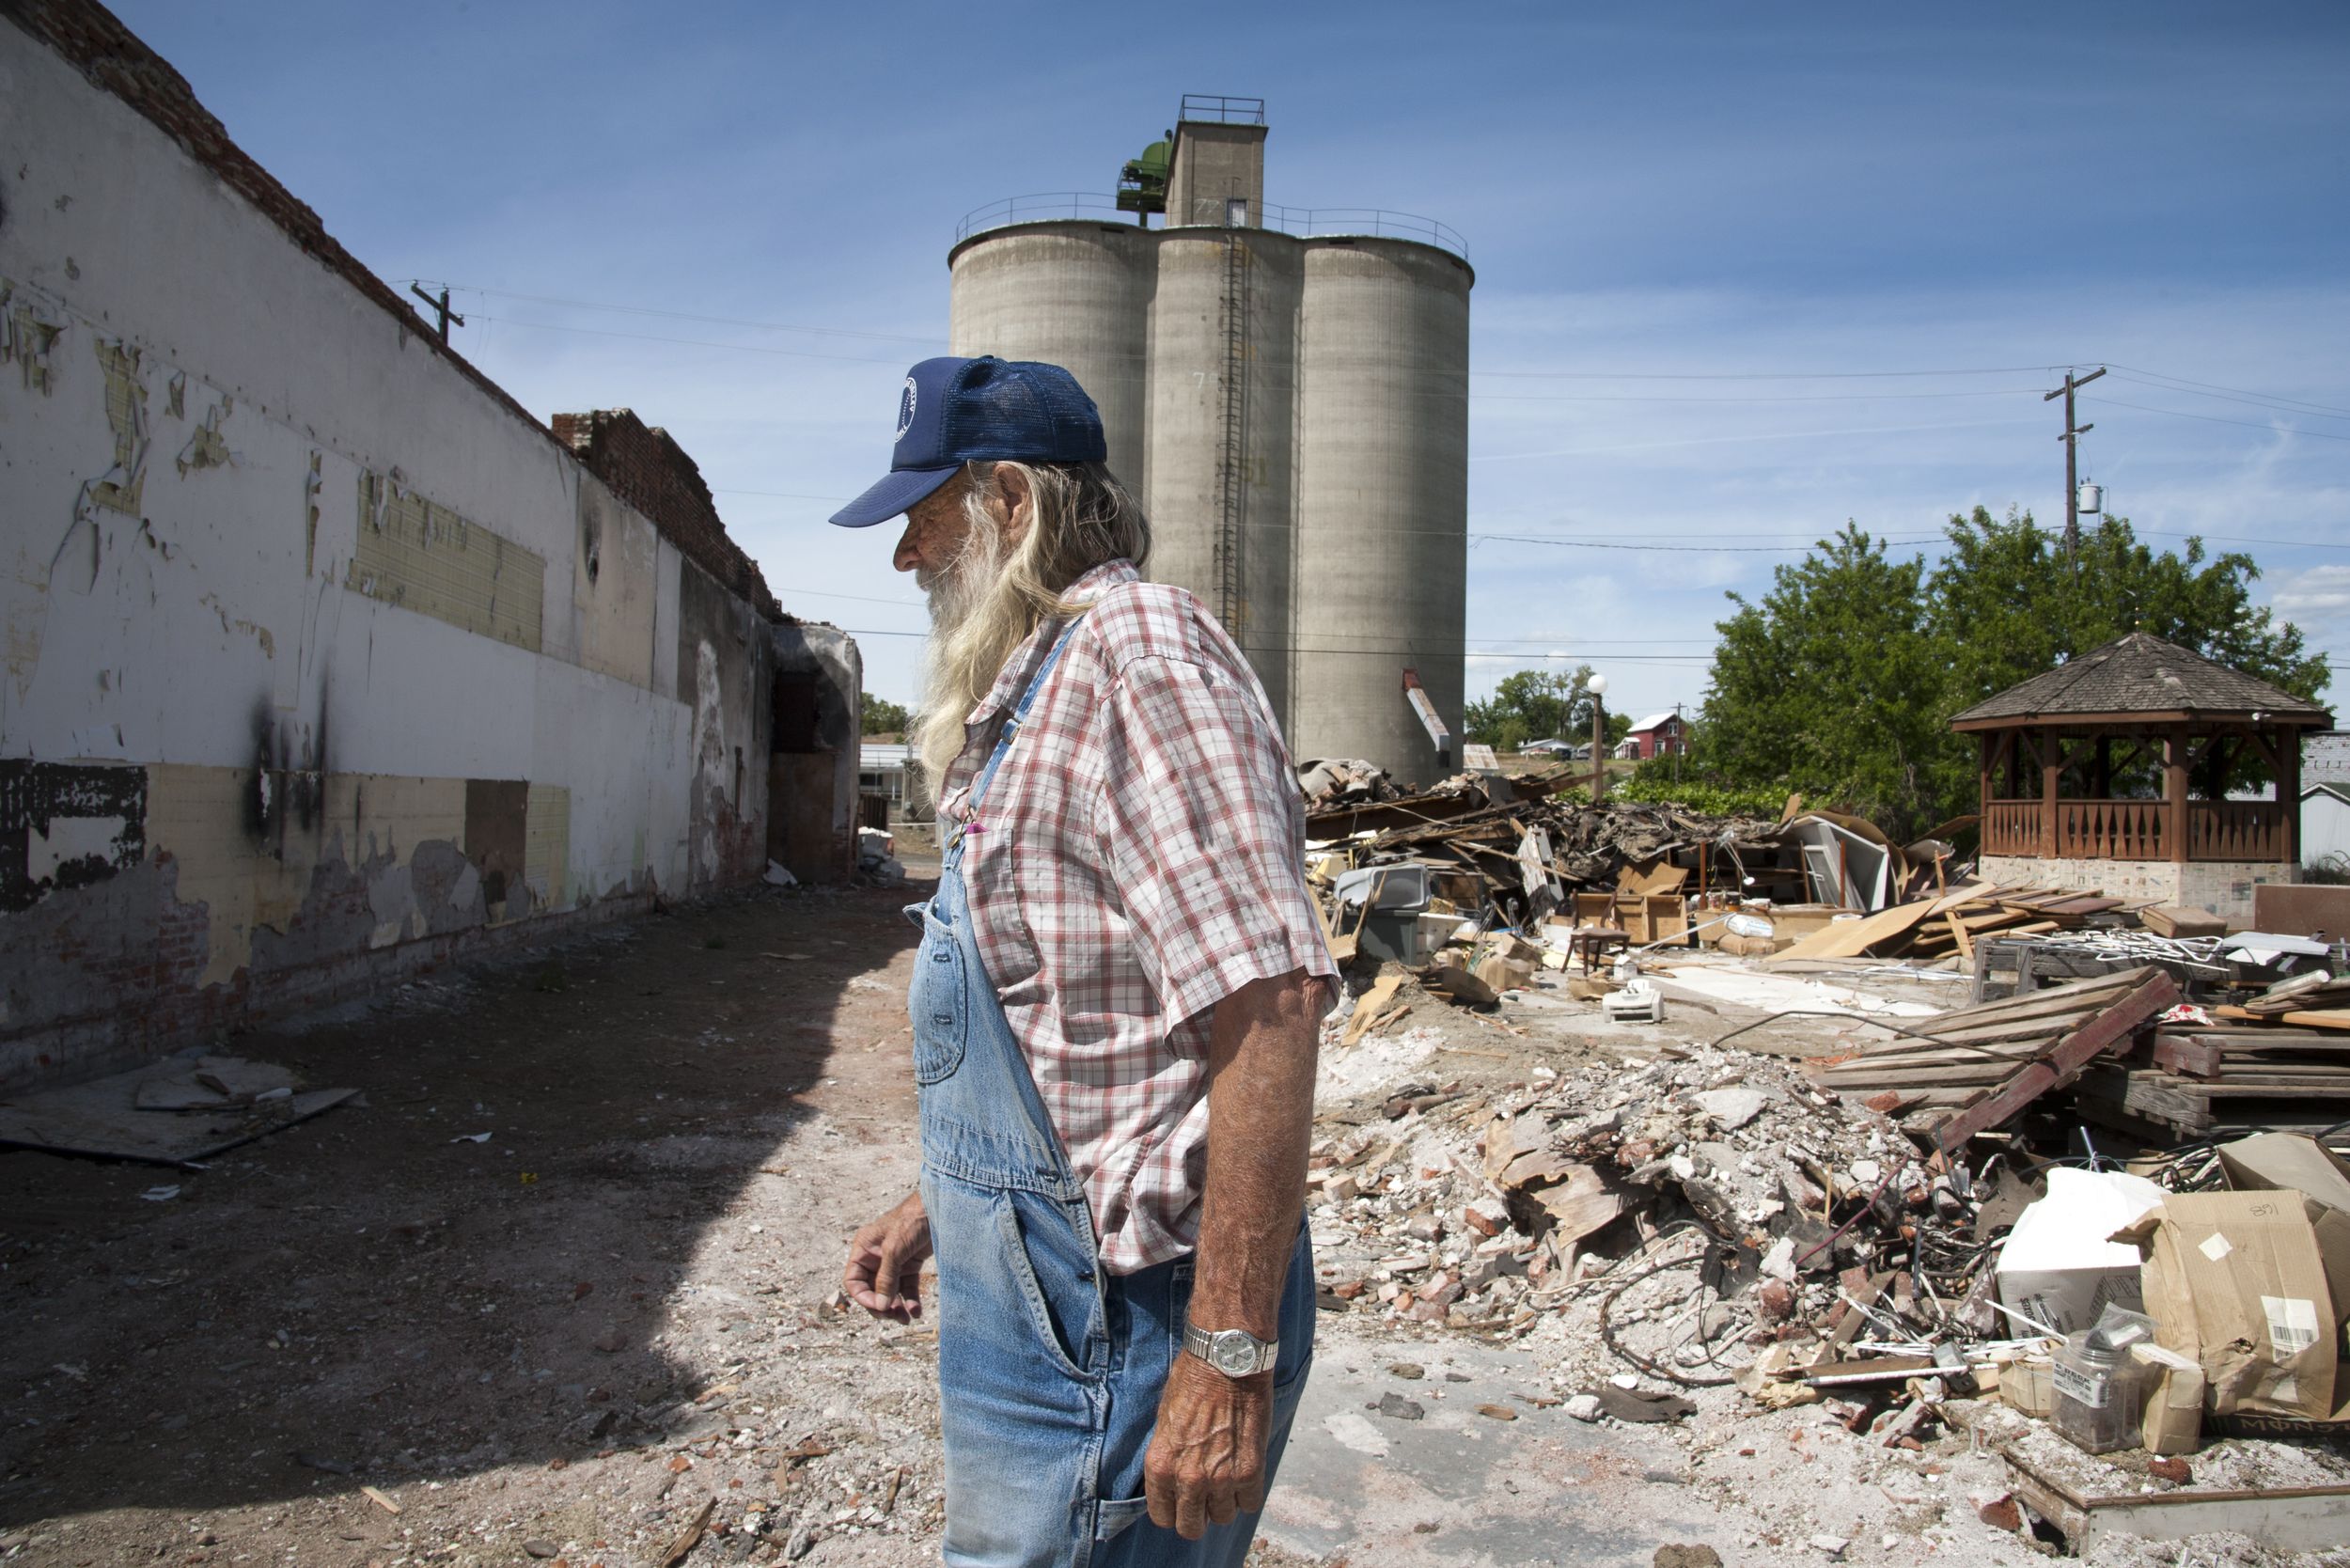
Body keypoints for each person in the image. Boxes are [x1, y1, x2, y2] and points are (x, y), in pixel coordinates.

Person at [831, 355, 1335, 1566]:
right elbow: (1073, 1012)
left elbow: (1269, 1004)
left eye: (923, 516)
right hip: (1050, 1303)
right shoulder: (1044, 681)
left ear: (1010, 499)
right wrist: (943, 1203)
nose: (905, 556)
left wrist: (1226, 1354)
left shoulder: (1141, 657)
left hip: (1129, 1325)